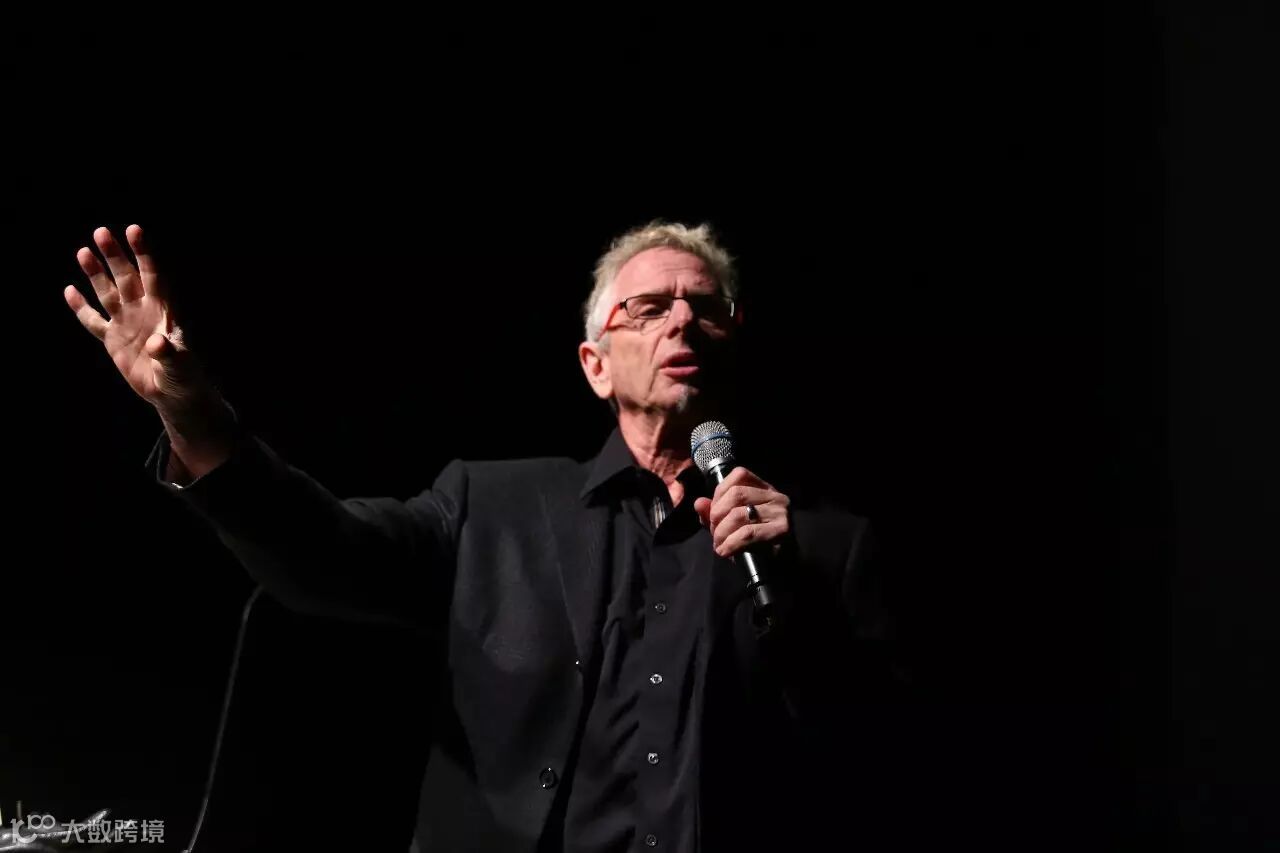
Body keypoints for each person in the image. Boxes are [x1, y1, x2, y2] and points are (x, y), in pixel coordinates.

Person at [64, 220, 906, 852]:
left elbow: (886, 769)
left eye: (706, 308)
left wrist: (801, 594)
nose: (681, 321)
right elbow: (323, 551)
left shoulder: (824, 547)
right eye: (649, 307)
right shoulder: (493, 507)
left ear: (735, 344)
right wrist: (193, 414)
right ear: (596, 364)